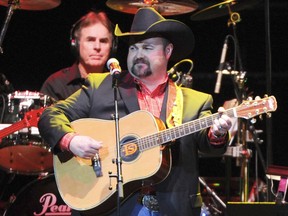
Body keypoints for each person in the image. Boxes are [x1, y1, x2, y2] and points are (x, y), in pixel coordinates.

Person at [38, 7, 232, 216]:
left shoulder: (195, 101)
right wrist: (71, 140)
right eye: (133, 48)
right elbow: (50, 116)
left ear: (168, 52)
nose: (138, 55)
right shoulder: (101, 86)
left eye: (147, 48)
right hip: (110, 206)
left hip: (173, 208)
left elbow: (209, 144)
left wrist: (218, 132)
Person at [40, 10, 116, 100]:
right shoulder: (56, 84)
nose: (97, 47)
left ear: (112, 46)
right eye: (90, 40)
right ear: (76, 44)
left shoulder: (118, 85)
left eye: (103, 41)